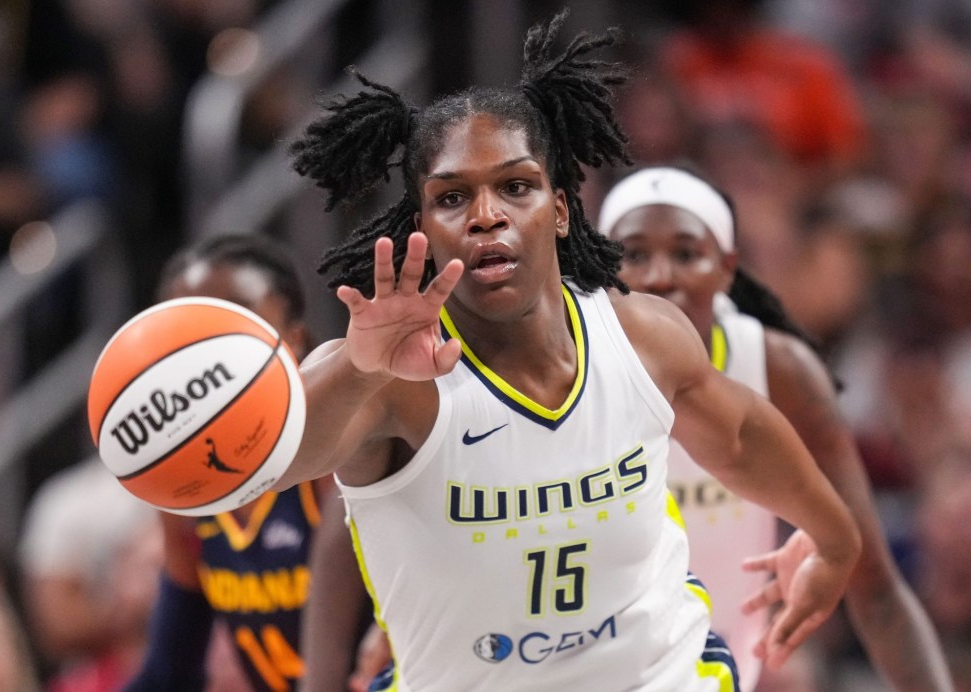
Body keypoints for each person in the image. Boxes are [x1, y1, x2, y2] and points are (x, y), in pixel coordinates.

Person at [278, 11, 861, 690]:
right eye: (452, 197)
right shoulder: (389, 375)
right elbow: (262, 460)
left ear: (559, 208)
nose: (487, 213)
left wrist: (835, 538)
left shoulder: (642, 337)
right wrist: (357, 366)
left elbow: (739, 436)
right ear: (422, 227)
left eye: (516, 186)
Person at [596, 164, 955, 691]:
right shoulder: (568, 375)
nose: (659, 276)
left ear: (727, 268)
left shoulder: (779, 370)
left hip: (730, 664)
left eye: (686, 253)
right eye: (634, 253)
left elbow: (873, 584)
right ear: (601, 268)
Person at [124, 232, 369, 692]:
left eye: (232, 320)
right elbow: (170, 672)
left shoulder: (338, 453)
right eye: (187, 331)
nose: (207, 350)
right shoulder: (185, 492)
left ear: (294, 340)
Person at [19, 457, 163, 691]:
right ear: (115, 581)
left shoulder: (219, 668)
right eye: (145, 568)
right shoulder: (77, 686)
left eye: (162, 567)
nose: (155, 583)